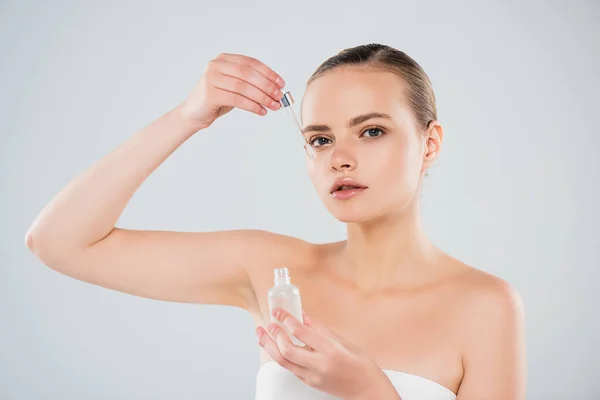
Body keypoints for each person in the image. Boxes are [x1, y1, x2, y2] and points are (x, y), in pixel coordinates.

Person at [25, 43, 526, 400]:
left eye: (371, 131)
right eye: (320, 139)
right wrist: (189, 116)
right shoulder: (273, 271)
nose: (339, 159)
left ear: (430, 144)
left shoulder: (485, 306)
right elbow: (59, 242)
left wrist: (370, 393)